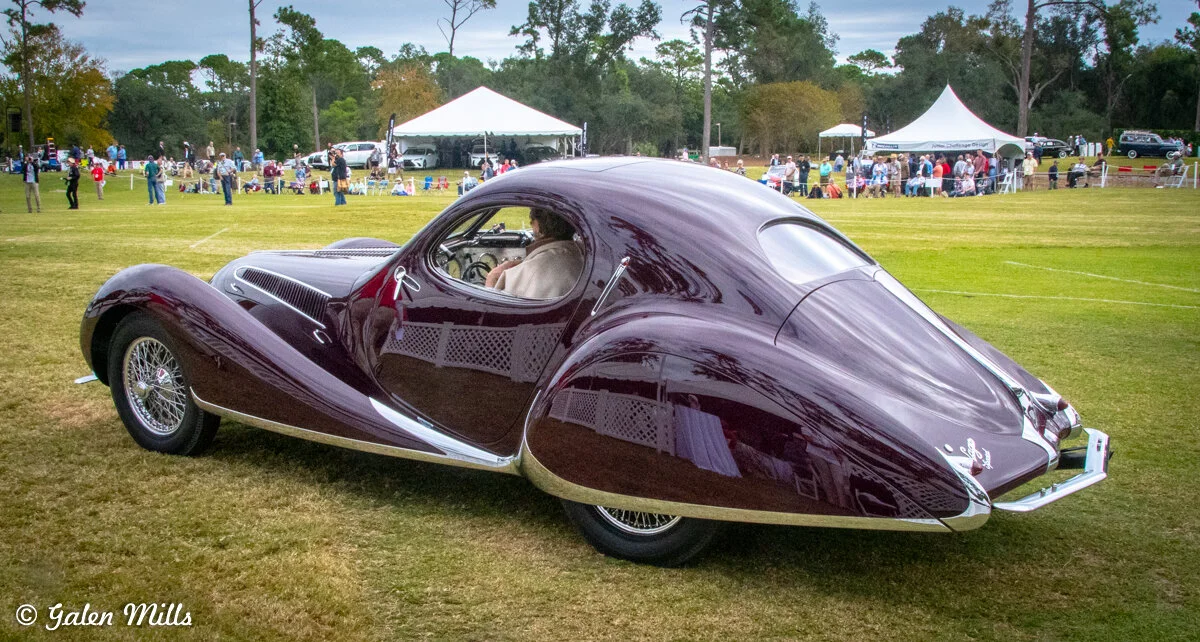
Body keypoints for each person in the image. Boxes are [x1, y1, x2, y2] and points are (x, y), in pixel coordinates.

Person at [485, 208, 584, 299]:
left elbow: (496, 311)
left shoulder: (532, 270)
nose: (531, 224)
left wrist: (491, 280)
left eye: (532, 221)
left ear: (536, 224)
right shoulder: (582, 253)